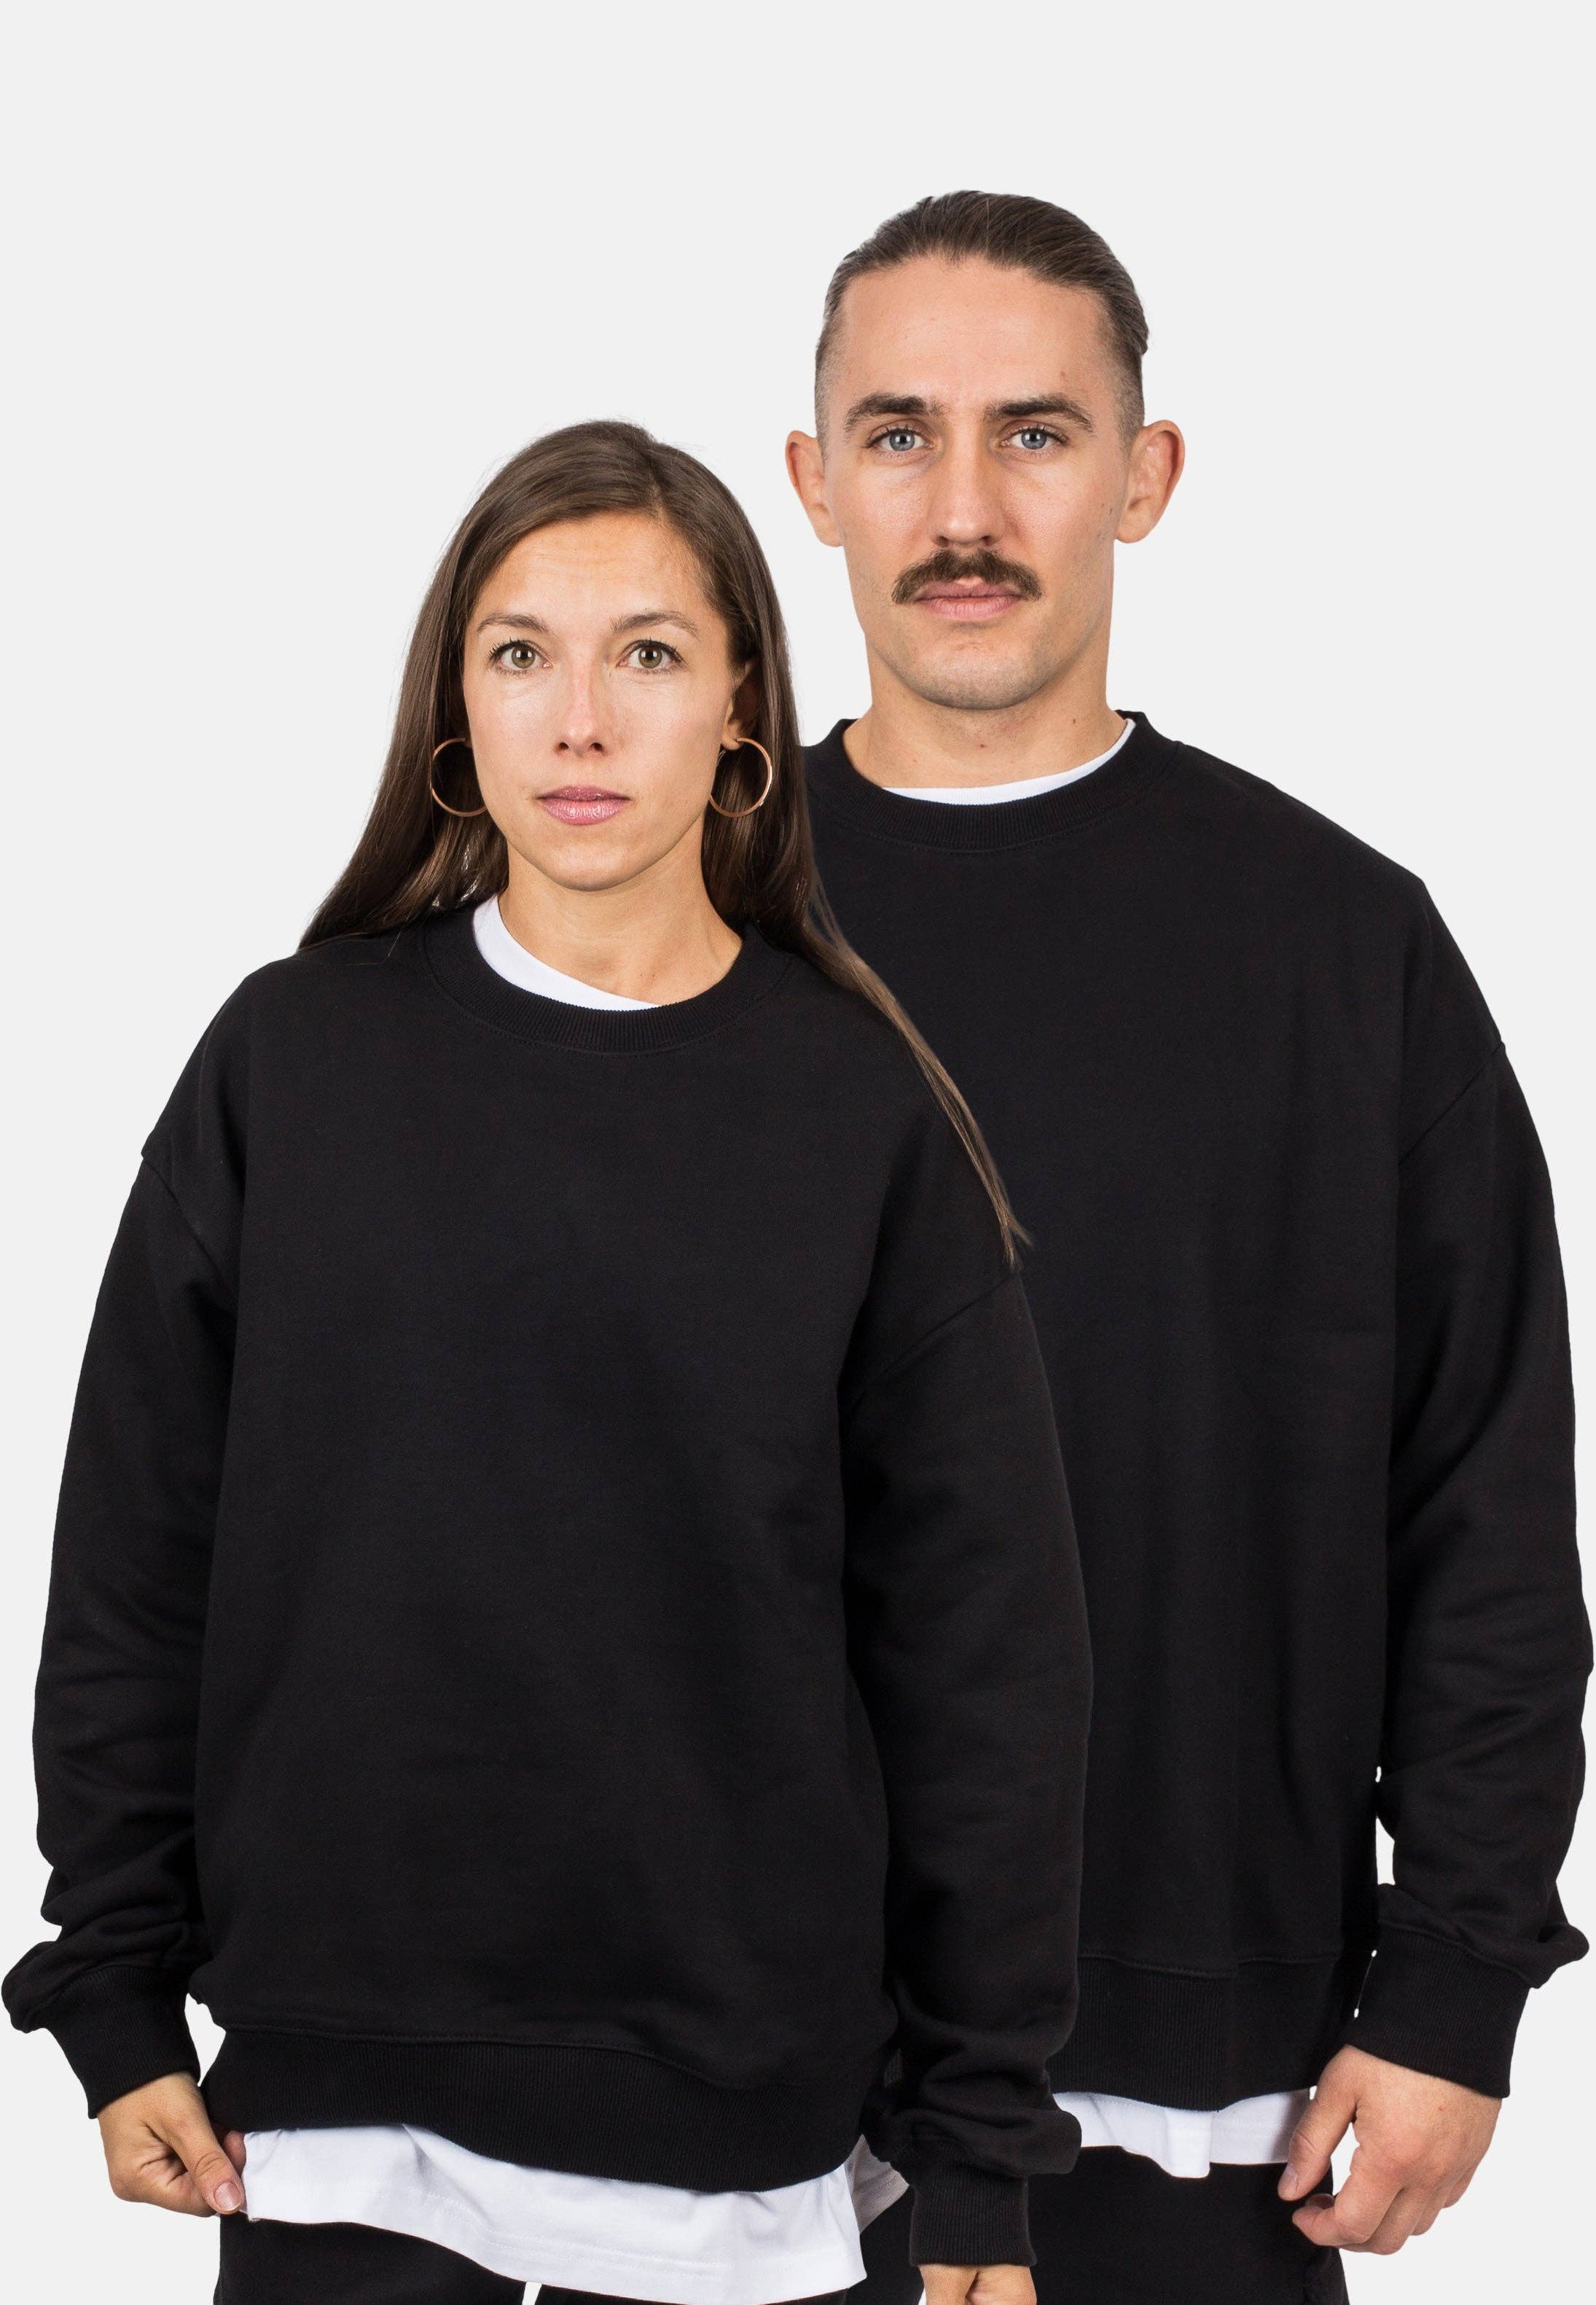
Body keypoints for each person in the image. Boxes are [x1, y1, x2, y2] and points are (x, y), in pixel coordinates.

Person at [4, 420, 1092, 2305]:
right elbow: (134, 1560)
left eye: (648, 653)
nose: (580, 721)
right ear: (459, 701)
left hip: (734, 2156)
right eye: (522, 653)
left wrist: (980, 2144)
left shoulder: (859, 1119)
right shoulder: (293, 1064)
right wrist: (113, 1990)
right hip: (334, 2122)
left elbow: (985, 1665)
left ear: (742, 708)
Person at [788, 192, 1589, 2304]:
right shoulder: (670, 930)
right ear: (813, 481)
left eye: (1037, 434)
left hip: (1200, 2072)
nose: (965, 510)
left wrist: (1458, 1985)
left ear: (1145, 476)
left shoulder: (1342, 948)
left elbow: (1485, 1505)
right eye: (899, 434)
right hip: (722, 2083)